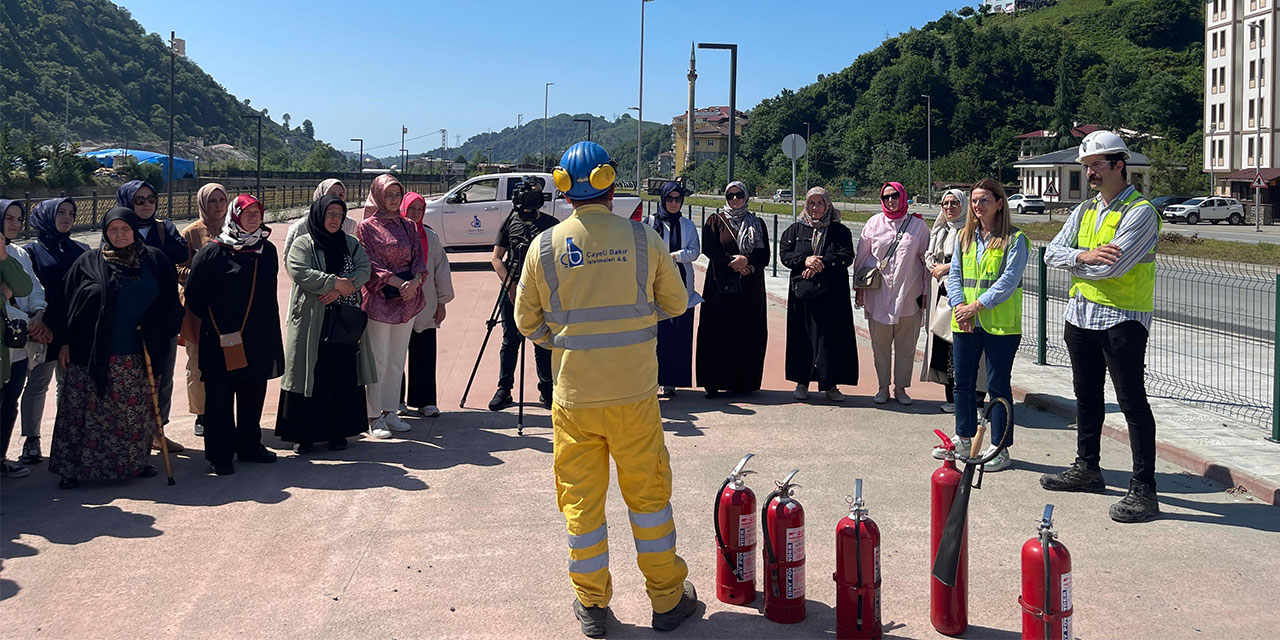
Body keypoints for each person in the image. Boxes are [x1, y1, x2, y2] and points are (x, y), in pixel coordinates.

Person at [515, 142, 698, 637]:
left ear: (562, 189)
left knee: (582, 504)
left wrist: (569, 342)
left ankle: (592, 605)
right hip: (635, 394)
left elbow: (526, 321)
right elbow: (677, 304)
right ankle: (666, 600)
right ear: (610, 185)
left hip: (573, 397)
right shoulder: (642, 239)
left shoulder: (544, 247)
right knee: (649, 498)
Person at [1040, 130, 1163, 523]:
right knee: (1087, 397)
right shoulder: (1085, 210)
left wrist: (1078, 258)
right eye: (1087, 166)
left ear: (1119, 165)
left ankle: (1144, 489)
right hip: (1081, 316)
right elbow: (1049, 254)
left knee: (1132, 403)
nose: (1089, 172)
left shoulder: (1139, 212)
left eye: (1096, 165)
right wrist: (1084, 254)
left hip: (1122, 319)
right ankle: (1088, 468)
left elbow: (1114, 266)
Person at [49, 208, 181, 489]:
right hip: (91, 353)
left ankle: (133, 463)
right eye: (113, 230)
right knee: (88, 413)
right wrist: (64, 341)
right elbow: (63, 304)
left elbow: (170, 304)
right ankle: (74, 469)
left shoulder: (154, 260)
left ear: (134, 230)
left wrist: (156, 329)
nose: (119, 235)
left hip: (137, 353)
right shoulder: (88, 262)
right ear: (105, 232)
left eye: (125, 229)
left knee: (132, 415)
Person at [183, 194, 283, 475]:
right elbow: (194, 296)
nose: (252, 217)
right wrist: (220, 325)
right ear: (235, 214)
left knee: (253, 392)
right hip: (220, 337)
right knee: (220, 397)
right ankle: (220, 454)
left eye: (257, 212)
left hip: (258, 336)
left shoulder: (267, 250)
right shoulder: (213, 252)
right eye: (246, 212)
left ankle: (250, 445)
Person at [276, 195, 375, 453]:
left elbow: (365, 270)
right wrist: (335, 283)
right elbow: (299, 270)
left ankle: (338, 433)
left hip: (342, 323)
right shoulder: (303, 243)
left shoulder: (350, 244)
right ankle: (304, 435)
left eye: (339, 214)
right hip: (312, 322)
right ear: (319, 214)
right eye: (329, 213)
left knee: (340, 375)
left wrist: (341, 290)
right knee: (309, 374)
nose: (334, 219)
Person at [944, 179, 1029, 472]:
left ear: (999, 203)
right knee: (962, 383)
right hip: (965, 322)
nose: (978, 206)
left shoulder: (1015, 239)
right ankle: (964, 438)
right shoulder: (965, 237)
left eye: (984, 200)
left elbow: (1007, 282)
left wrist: (976, 307)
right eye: (975, 201)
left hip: (999, 326)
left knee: (997, 387)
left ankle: (1000, 448)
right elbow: (954, 275)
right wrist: (959, 307)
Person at [116, 180, 186, 452]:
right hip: (129, 319)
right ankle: (131, 435)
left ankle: (158, 430)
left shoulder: (163, 226)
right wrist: (157, 256)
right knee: (131, 378)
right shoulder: (117, 227)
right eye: (139, 200)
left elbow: (181, 252)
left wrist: (141, 253)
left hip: (163, 315)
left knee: (162, 375)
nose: (146, 205)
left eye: (150, 199)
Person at [356, 174, 427, 438]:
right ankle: (373, 416)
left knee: (397, 360)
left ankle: (390, 411)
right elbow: (370, 264)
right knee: (379, 360)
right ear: (377, 195)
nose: (394, 199)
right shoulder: (367, 227)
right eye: (389, 194)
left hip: (407, 299)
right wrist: (399, 283)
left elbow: (419, 259)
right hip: (381, 299)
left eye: (398, 194)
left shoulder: (409, 225)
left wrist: (416, 282)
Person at [17, 197, 87, 468]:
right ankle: (31, 439)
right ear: (46, 215)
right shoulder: (30, 252)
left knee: (68, 385)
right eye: (61, 212)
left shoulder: (80, 250)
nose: (67, 218)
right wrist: (37, 322)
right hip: (43, 330)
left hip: (73, 329)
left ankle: (66, 438)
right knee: (37, 384)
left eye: (71, 213)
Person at [854, 181, 930, 405]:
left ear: (903, 196)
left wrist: (926, 293)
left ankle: (901, 388)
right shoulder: (873, 224)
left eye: (895, 195)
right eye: (886, 196)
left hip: (909, 295)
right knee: (880, 346)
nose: (890, 200)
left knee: (907, 346)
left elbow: (926, 262)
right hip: (878, 295)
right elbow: (862, 259)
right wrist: (858, 289)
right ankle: (882, 387)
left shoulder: (918, 227)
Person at [780, 187, 858, 402]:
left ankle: (830, 384)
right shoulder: (796, 229)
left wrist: (821, 262)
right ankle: (801, 381)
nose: (815, 208)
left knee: (830, 338)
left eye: (820, 203)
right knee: (802, 336)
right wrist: (804, 261)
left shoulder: (840, 231)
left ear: (827, 205)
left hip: (832, 294)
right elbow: (785, 255)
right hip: (803, 294)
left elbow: (846, 255)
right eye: (811, 203)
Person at [696, 181, 770, 398]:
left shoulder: (757, 223)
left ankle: (743, 382)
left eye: (739, 195)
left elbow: (764, 255)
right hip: (721, 285)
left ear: (746, 196)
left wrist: (747, 260)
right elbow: (709, 248)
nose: (735, 199)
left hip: (749, 287)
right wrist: (733, 262)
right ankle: (714, 382)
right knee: (718, 331)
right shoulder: (715, 221)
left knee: (746, 331)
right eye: (731, 196)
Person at [489, 179, 557, 411]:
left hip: (542, 292)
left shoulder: (552, 225)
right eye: (528, 194)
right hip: (512, 288)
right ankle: (504, 389)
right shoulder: (510, 222)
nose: (532, 198)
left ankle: (547, 390)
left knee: (543, 342)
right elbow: (496, 258)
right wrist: (510, 286)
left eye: (536, 194)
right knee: (510, 340)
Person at [922, 189, 987, 414]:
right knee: (945, 345)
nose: (949, 208)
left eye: (954, 203)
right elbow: (929, 255)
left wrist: (947, 268)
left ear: (964, 205)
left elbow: (972, 258)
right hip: (940, 290)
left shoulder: (973, 231)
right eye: (945, 203)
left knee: (969, 344)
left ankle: (977, 398)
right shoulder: (940, 229)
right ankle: (953, 397)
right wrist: (936, 269)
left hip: (965, 292)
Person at [177, 183, 228, 438]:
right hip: (197, 310)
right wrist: (204, 276)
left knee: (229, 361)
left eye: (222, 200)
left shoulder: (235, 230)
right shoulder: (190, 233)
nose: (218, 206)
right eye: (212, 201)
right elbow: (178, 269)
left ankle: (224, 412)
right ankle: (201, 413)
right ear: (202, 204)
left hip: (227, 309)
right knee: (197, 363)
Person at [400, 192, 453, 418]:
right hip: (399, 304)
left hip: (427, 303)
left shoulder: (430, 237)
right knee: (396, 355)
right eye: (411, 208)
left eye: (419, 209)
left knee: (425, 352)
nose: (415, 213)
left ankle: (425, 401)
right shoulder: (395, 234)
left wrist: (441, 302)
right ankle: (395, 400)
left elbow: (441, 270)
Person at [646, 181, 700, 398]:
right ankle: (653, 379)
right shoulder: (650, 223)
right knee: (657, 335)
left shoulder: (687, 225)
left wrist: (675, 257)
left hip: (681, 284)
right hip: (656, 285)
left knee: (678, 334)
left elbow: (695, 251)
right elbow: (646, 249)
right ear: (662, 199)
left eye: (678, 199)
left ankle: (672, 381)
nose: (674, 203)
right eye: (669, 199)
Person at [0, 200, 37, 477]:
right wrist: (5, 295)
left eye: (18, 219)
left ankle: (1, 458)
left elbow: (25, 287)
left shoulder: (15, 253)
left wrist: (2, 255)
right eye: (8, 218)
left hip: (14, 342)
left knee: (9, 400)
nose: (14, 224)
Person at [283, 178, 358, 256]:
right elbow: (289, 257)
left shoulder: (350, 224)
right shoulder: (302, 225)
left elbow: (355, 254)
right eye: (332, 194)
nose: (337, 198)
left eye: (341, 195)